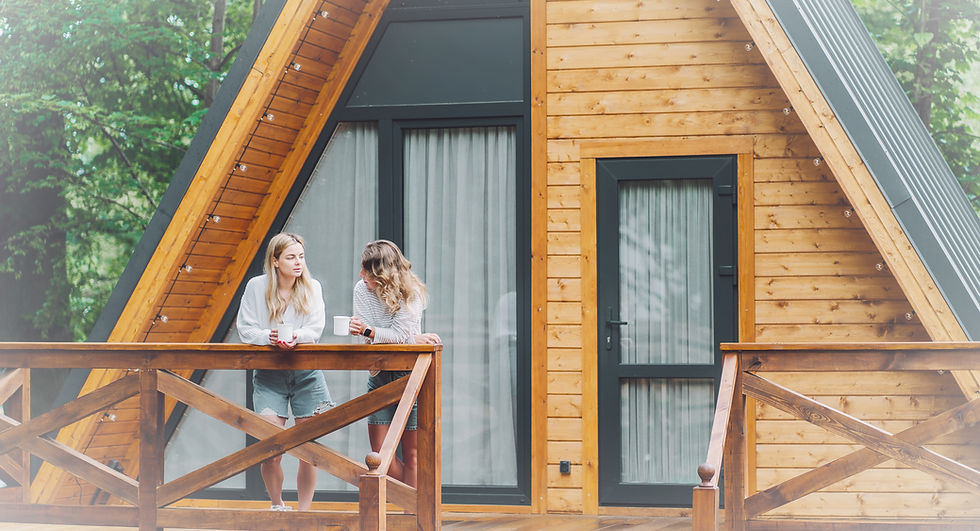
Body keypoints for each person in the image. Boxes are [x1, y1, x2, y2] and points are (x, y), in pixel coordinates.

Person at [237, 232, 333, 511]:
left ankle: (303, 514)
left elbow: (315, 330)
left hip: (307, 374)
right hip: (269, 374)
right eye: (291, 257)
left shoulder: (313, 287)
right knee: (271, 448)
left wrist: (295, 337)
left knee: (308, 449)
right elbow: (246, 329)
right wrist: (269, 337)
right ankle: (278, 506)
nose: (298, 262)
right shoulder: (256, 286)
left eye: (301, 256)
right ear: (275, 261)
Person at [348, 240, 440, 487]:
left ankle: (409, 508)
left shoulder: (411, 292)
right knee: (379, 458)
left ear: (382, 273)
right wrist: (410, 339)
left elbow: (388, 334)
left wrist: (373, 332)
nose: (361, 274)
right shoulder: (362, 289)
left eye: (366, 269)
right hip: (378, 374)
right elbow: (368, 340)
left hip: (410, 375)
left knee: (413, 455)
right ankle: (408, 499)